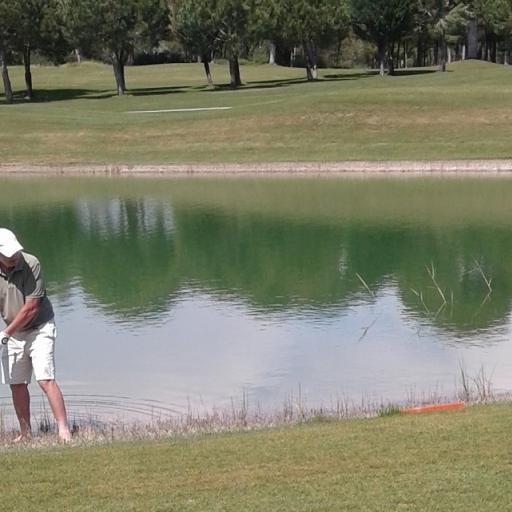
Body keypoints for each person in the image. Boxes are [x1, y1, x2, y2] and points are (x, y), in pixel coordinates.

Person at [0, 228, 71, 442]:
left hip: (40, 327)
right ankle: (25, 433)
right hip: (11, 332)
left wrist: (5, 333)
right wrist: (8, 333)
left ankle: (63, 430)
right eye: (8, 254)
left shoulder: (31, 263)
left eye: (15, 252)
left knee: (45, 378)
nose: (13, 257)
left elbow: (31, 307)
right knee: (17, 383)